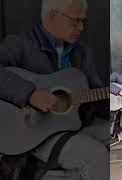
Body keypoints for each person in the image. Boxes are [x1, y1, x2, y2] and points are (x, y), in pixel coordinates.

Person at [0, 0, 108, 179]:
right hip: (33, 135)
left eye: (83, 21)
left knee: (115, 135)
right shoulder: (20, 44)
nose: (81, 27)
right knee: (97, 156)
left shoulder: (81, 52)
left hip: (75, 124)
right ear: (52, 16)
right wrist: (29, 94)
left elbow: (96, 93)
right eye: (75, 20)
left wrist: (114, 102)